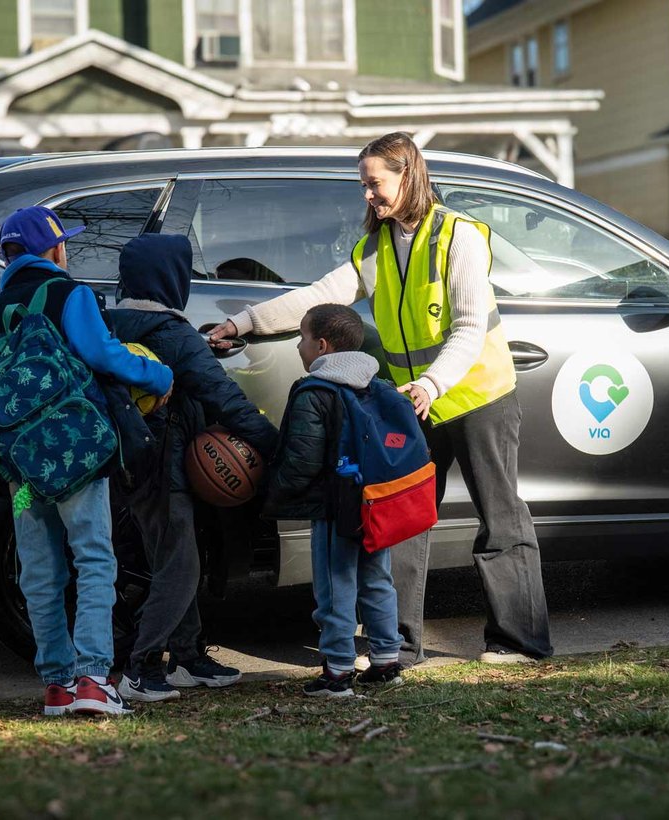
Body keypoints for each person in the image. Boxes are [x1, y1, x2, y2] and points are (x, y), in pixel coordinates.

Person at [209, 131, 553, 666]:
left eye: (375, 183)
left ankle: (520, 642)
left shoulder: (458, 236)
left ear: (407, 175)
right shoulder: (374, 247)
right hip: (414, 401)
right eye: (363, 185)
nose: (368, 194)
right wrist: (244, 322)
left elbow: (467, 328)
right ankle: (398, 645)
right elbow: (319, 298)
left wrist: (433, 383)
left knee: (501, 517)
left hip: (476, 394)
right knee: (404, 517)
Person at [0, 206, 174, 717]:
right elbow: (102, 354)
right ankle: (94, 679)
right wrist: (158, 376)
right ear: (54, 250)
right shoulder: (68, 294)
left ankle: (56, 684)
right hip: (75, 456)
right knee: (94, 556)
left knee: (39, 566)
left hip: (22, 470)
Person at [104, 234, 279, 702]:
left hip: (124, 462)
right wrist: (275, 446)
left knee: (169, 559)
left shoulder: (108, 323)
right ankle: (141, 669)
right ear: (172, 279)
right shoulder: (173, 334)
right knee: (180, 565)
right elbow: (226, 400)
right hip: (166, 466)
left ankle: (187, 656)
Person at [263, 304, 406, 697]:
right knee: (378, 580)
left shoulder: (316, 392)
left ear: (322, 346)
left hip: (333, 508)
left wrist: (274, 489)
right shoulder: (376, 386)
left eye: (302, 337)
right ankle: (386, 661)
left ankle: (338, 671)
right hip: (374, 504)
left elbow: (302, 460)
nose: (298, 346)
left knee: (334, 586)